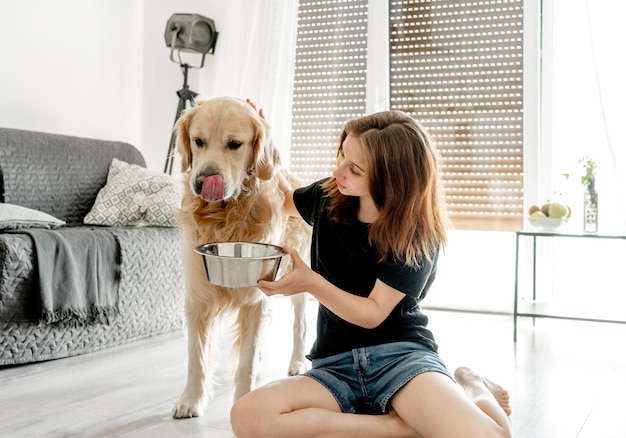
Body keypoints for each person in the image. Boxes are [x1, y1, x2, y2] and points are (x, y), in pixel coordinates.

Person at [230, 108, 512, 438]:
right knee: (247, 416)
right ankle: (397, 427)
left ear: (391, 179)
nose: (339, 171)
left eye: (355, 169)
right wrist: (262, 136)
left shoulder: (417, 233)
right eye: (341, 156)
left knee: (491, 436)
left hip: (401, 360)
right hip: (335, 366)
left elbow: (372, 314)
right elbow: (284, 199)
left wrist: (311, 284)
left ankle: (474, 384)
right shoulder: (328, 195)